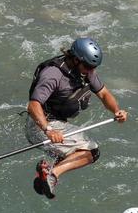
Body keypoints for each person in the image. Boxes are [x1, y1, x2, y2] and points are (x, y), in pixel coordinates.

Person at [26, 37, 128, 199]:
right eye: (88, 66)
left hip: (56, 124)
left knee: (74, 154)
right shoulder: (53, 75)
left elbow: (103, 93)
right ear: (75, 59)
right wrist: (48, 130)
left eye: (93, 67)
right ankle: (52, 175)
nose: (90, 71)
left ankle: (44, 177)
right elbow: (33, 105)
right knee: (91, 151)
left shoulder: (84, 71)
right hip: (41, 125)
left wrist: (116, 111)